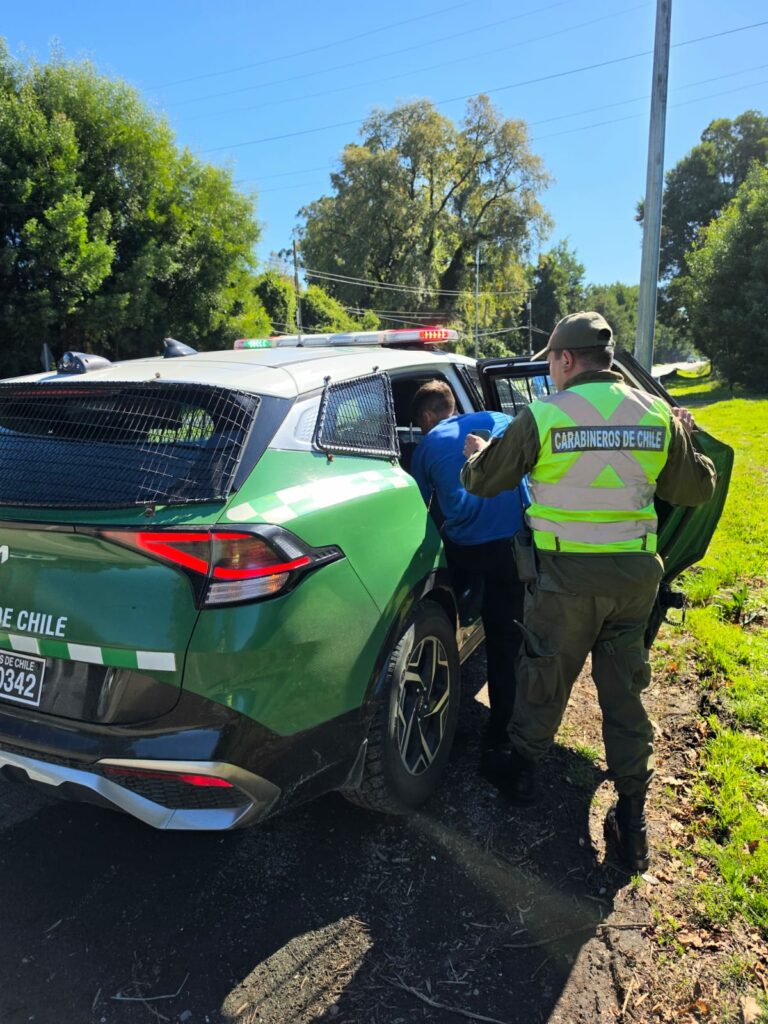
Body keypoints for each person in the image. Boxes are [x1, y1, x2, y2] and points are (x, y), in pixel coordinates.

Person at [460, 311, 717, 872]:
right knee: (624, 694)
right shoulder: (656, 416)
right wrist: (686, 434)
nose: (550, 371)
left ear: (567, 360)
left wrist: (477, 451)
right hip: (633, 583)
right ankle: (632, 817)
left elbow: (481, 482)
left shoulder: (544, 415)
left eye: (551, 361)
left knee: (546, 675)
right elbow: (696, 489)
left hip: (565, 583)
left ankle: (522, 773)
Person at [410, 380, 527, 752]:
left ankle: (456, 628)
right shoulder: (499, 418)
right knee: (505, 642)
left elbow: (419, 509)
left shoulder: (427, 446)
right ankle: (501, 731)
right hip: (511, 548)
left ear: (428, 417)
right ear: (452, 405)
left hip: (467, 550)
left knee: (447, 611)